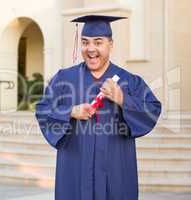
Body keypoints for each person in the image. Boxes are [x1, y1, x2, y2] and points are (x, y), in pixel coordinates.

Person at [35, 15, 161, 200]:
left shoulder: (129, 81)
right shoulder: (64, 78)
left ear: (111, 44)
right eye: (85, 42)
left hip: (115, 171)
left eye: (98, 42)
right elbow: (42, 110)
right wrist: (70, 111)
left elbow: (152, 109)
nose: (91, 49)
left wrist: (122, 98)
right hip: (75, 169)